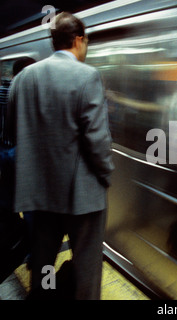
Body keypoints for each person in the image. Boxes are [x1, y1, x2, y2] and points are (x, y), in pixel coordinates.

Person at [6, 12, 114, 299]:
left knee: (43, 266)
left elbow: (14, 129)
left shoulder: (23, 79)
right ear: (78, 39)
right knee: (87, 269)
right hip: (83, 197)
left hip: (40, 195)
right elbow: (96, 139)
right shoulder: (87, 75)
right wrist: (105, 174)